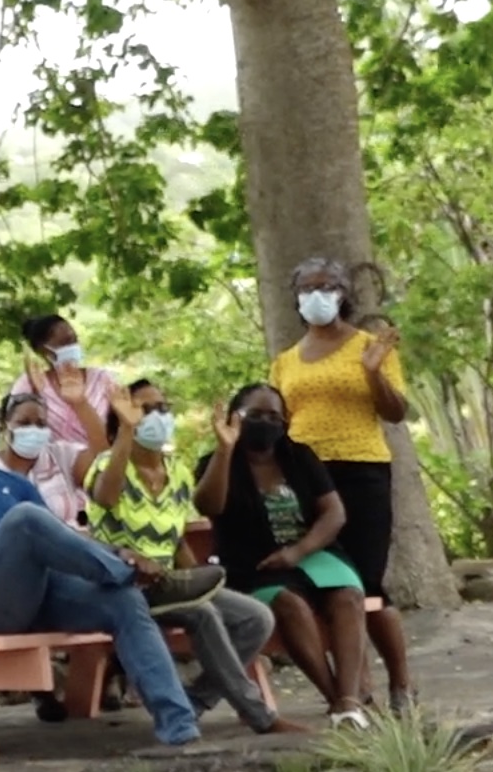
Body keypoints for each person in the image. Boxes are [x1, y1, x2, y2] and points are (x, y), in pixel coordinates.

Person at [0, 390, 219, 748]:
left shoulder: (13, 484)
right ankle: (147, 584)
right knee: (25, 520)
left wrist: (123, 552)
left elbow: (60, 537)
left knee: (124, 601)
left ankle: (179, 729)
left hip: (40, 595)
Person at [90, 381, 300, 735]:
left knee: (256, 617)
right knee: (202, 614)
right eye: (146, 409)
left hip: (169, 581)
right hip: (123, 583)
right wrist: (126, 432)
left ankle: (196, 701)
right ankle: (260, 716)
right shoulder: (107, 464)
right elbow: (106, 498)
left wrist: (224, 450)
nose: (158, 416)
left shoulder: (177, 472)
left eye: (163, 407)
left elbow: (176, 538)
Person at [269, 257, 415, 712]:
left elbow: (396, 412)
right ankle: (359, 686)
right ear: (295, 297)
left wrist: (372, 372)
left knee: (369, 584)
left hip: (362, 470)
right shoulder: (285, 362)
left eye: (327, 286)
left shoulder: (372, 346)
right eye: (308, 287)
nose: (318, 295)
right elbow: (280, 421)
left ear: (344, 293)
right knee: (333, 584)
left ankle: (401, 684)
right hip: (309, 476)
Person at [195, 384, 373, 729]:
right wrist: (224, 450)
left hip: (312, 554)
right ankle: (337, 701)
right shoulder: (216, 460)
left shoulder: (299, 456)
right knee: (288, 604)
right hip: (254, 565)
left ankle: (350, 700)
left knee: (348, 597)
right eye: (256, 415)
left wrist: (298, 551)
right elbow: (208, 506)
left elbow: (334, 513)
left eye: (275, 416)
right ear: (235, 417)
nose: (266, 422)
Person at [0, 377, 106, 529]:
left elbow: (103, 456)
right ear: (4, 426)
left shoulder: (61, 456)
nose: (33, 430)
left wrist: (80, 404)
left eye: (41, 424)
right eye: (24, 423)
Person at [6, 313, 117, 447]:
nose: (73, 347)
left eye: (74, 340)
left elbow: (120, 427)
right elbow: (15, 431)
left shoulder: (101, 378)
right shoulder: (30, 384)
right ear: (43, 350)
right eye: (65, 342)